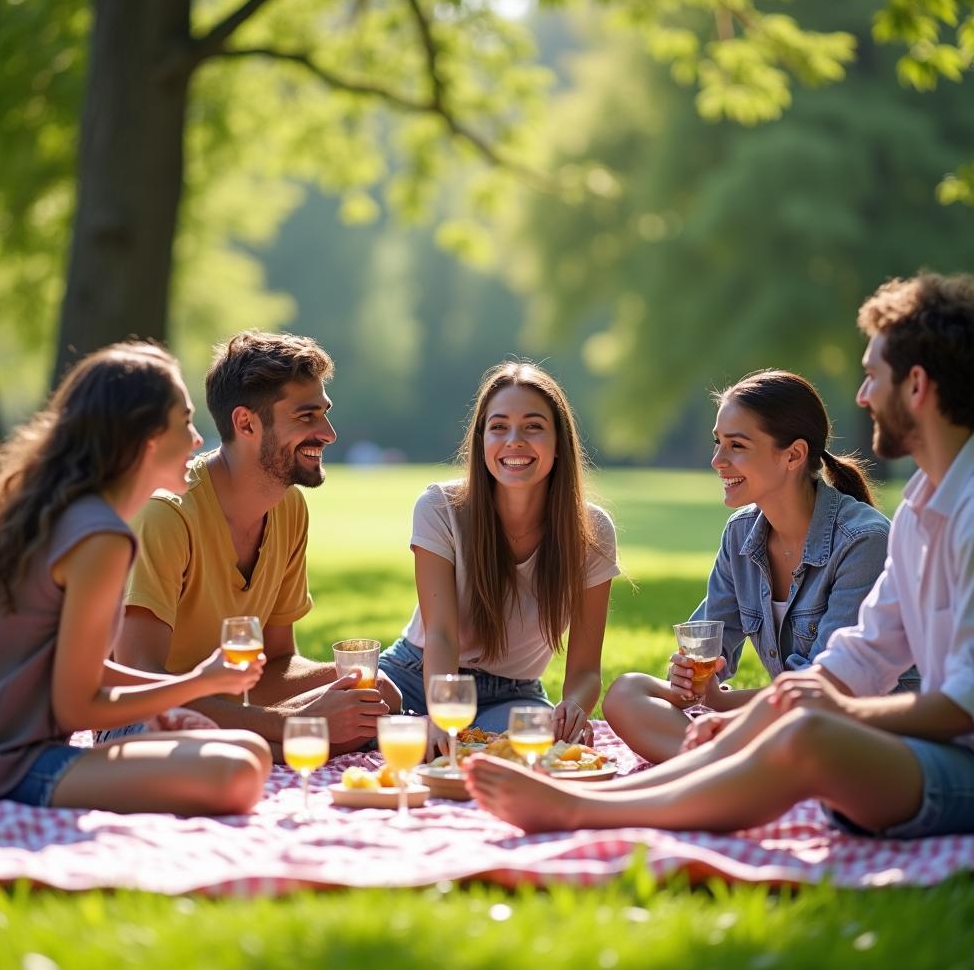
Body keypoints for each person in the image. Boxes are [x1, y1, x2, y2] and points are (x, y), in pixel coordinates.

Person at [466, 271, 974, 840]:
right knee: (747, 713)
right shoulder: (921, 512)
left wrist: (801, 711)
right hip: (896, 747)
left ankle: (589, 813)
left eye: (872, 376)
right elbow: (860, 658)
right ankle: (590, 797)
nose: (861, 396)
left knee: (803, 731)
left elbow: (961, 705)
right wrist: (759, 711)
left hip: (949, 761)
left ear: (918, 387)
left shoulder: (930, 523)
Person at [0, 343, 272, 813]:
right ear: (147, 437)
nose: (198, 439)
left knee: (250, 750)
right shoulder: (101, 539)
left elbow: (81, 666)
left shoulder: (60, 513)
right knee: (237, 773)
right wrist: (200, 682)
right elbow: (77, 707)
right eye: (184, 421)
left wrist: (163, 703)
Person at [604, 370, 916, 764]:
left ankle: (714, 770)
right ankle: (724, 770)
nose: (717, 461)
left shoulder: (863, 541)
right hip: (786, 722)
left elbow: (826, 692)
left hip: (856, 730)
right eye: (718, 443)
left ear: (793, 455)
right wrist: (690, 677)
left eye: (737, 445)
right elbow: (708, 647)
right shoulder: (741, 534)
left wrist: (726, 708)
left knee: (800, 733)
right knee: (626, 692)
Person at [113, 331, 400, 757]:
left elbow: (276, 665)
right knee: (248, 752)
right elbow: (138, 683)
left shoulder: (289, 508)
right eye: (306, 417)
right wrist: (287, 723)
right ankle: (277, 746)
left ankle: (275, 746)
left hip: (231, 720)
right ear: (246, 423)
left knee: (376, 693)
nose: (328, 433)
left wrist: (343, 682)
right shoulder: (168, 514)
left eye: (324, 413)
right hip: (143, 723)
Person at [377, 360, 622, 749]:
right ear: (482, 441)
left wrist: (573, 706)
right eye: (499, 427)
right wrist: (442, 715)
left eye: (533, 426)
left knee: (520, 748)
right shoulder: (440, 506)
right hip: (420, 675)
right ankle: (410, 726)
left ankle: (418, 733)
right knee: (348, 722)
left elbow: (585, 668)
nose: (514, 440)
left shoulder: (592, 531)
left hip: (512, 694)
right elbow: (441, 633)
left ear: (559, 443)